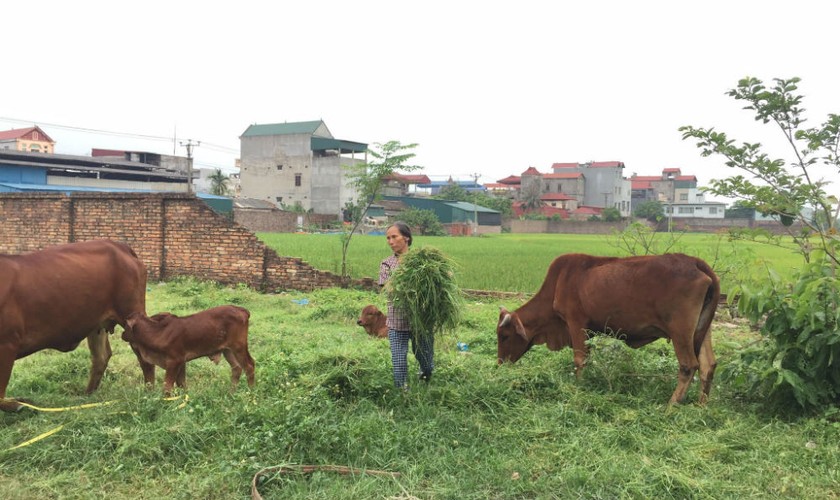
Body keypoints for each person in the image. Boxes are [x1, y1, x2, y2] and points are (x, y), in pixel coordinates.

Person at [378, 221, 434, 389]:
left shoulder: (421, 261)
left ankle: (426, 376)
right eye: (388, 238)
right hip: (396, 321)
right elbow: (386, 287)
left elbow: (433, 283)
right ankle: (402, 391)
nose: (390, 241)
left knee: (424, 357)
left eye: (394, 237)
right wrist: (401, 284)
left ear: (407, 238)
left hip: (421, 321)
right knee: (399, 359)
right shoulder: (387, 264)